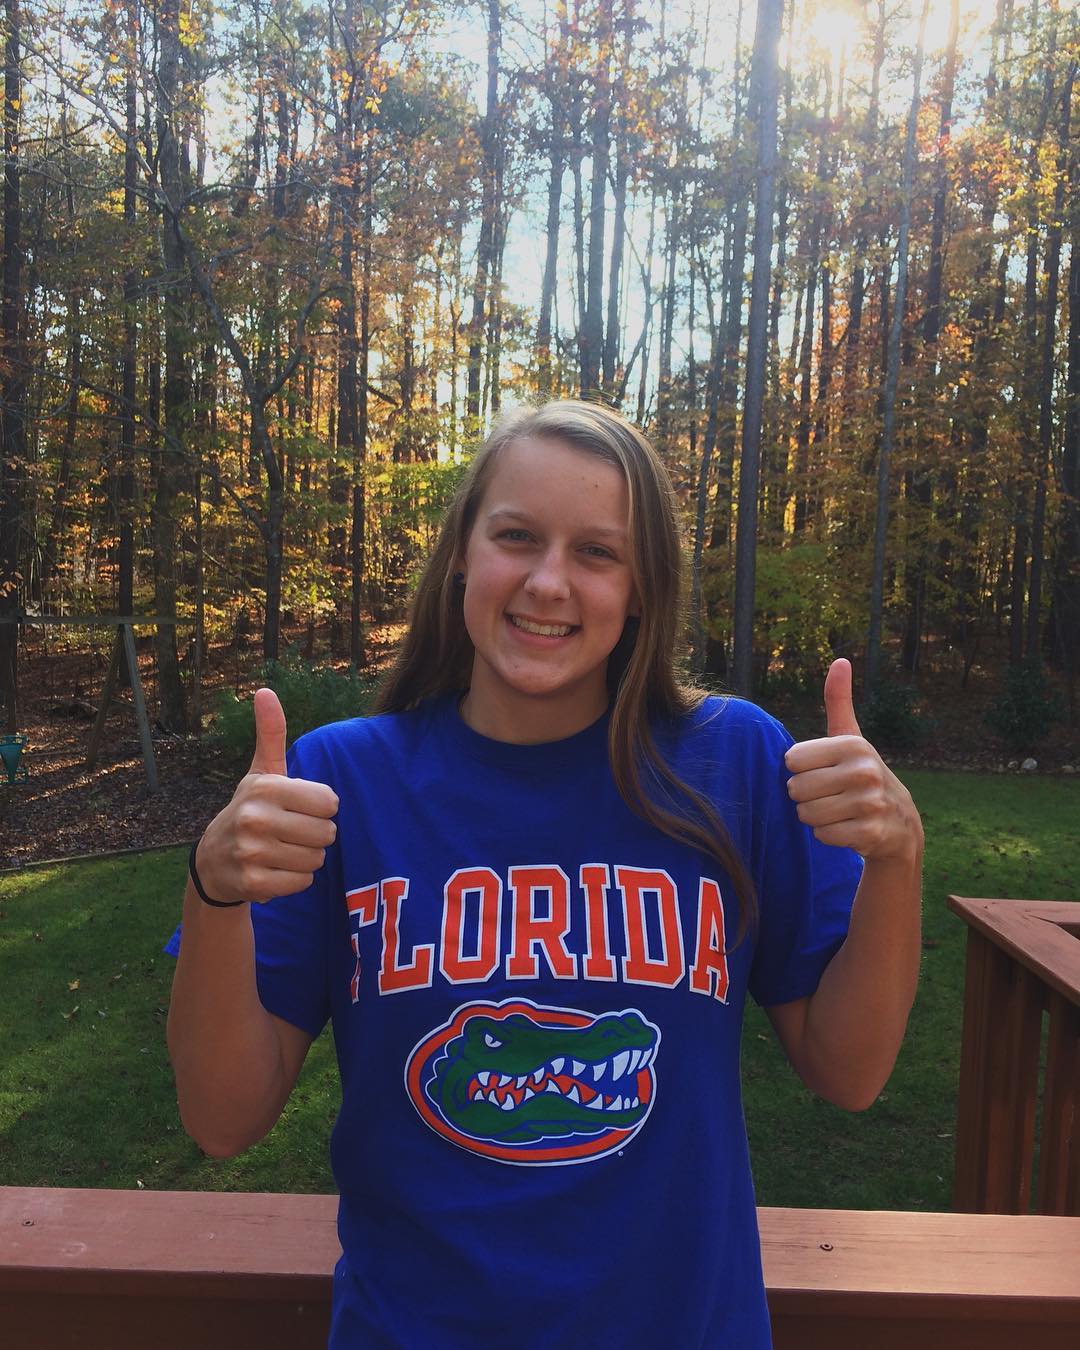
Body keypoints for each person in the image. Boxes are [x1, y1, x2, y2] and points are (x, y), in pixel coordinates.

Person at [165, 398, 923, 1348]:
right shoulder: (338, 782)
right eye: (516, 536)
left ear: (641, 588)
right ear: (462, 555)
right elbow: (221, 1119)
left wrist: (897, 859)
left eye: (597, 552)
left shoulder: (731, 763)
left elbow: (850, 1073)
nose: (549, 582)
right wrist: (215, 890)